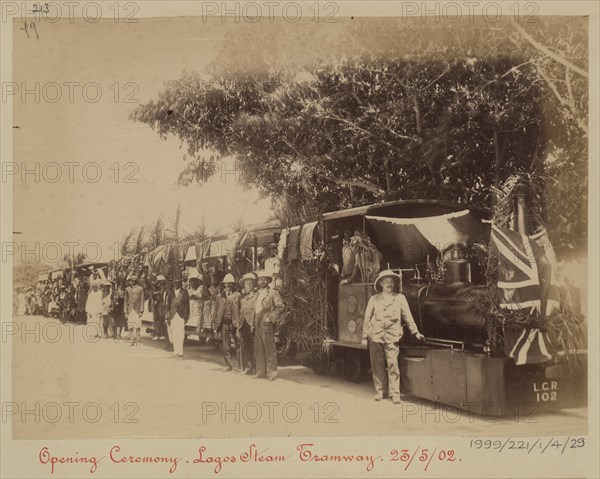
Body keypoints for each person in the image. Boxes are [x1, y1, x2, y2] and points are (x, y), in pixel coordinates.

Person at [362, 270, 425, 404]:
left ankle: (395, 393)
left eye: (391, 282)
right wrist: (364, 337)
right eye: (386, 282)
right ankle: (380, 391)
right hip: (375, 336)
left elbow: (408, 316)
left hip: (392, 336)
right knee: (377, 365)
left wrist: (415, 332)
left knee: (393, 364)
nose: (389, 284)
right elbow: (367, 319)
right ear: (381, 284)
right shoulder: (374, 299)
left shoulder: (400, 298)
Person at [253, 270, 284, 380]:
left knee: (269, 348)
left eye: (264, 279)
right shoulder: (256, 293)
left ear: (267, 281)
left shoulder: (272, 293)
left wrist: (270, 319)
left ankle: (271, 373)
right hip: (257, 322)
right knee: (259, 349)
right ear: (257, 281)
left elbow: (280, 307)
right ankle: (260, 372)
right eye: (260, 279)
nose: (262, 281)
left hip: (266, 322)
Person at [214, 273, 241, 371]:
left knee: (238, 344)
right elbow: (216, 311)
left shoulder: (237, 296)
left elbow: (241, 310)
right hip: (224, 323)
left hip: (235, 323)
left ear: (233, 285)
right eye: (226, 284)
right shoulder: (219, 297)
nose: (228, 286)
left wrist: (239, 322)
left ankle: (241, 366)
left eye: (230, 284)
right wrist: (215, 325)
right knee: (226, 345)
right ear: (223, 285)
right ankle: (228, 365)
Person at [238, 272, 258, 375]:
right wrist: (238, 325)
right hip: (243, 324)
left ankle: (256, 368)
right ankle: (247, 367)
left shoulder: (256, 295)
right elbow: (238, 311)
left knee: (254, 346)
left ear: (254, 285)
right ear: (244, 285)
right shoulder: (241, 297)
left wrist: (253, 323)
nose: (249, 285)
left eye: (251, 283)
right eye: (247, 283)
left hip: (252, 324)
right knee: (245, 346)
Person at [167, 277, 189, 358]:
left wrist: (186, 316)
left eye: (177, 283)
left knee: (180, 333)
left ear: (180, 284)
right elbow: (168, 305)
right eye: (174, 283)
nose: (176, 284)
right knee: (174, 332)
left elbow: (187, 305)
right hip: (173, 315)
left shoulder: (184, 292)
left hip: (181, 314)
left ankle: (180, 351)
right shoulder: (171, 292)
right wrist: (168, 315)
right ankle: (175, 350)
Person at [124, 275, 144, 347]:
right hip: (130, 310)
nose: (132, 282)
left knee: (138, 325)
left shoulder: (140, 289)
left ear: (136, 281)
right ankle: (132, 340)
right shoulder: (127, 289)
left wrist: (141, 311)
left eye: (134, 280)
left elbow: (142, 300)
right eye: (131, 280)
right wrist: (125, 312)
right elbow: (125, 301)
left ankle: (137, 340)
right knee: (130, 325)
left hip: (137, 310)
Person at [149, 275, 168, 341]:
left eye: (162, 282)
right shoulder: (155, 288)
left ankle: (162, 334)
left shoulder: (165, 290)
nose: (160, 284)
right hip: (156, 306)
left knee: (162, 320)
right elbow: (152, 296)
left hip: (161, 306)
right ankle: (157, 334)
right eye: (159, 282)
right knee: (156, 320)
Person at [86, 269, 103, 337]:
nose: (95, 288)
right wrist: (88, 311)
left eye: (96, 287)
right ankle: (93, 333)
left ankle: (99, 333)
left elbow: (102, 302)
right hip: (92, 310)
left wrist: (101, 310)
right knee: (92, 322)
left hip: (98, 309)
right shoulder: (91, 294)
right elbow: (88, 303)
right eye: (94, 287)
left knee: (98, 322)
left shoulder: (100, 293)